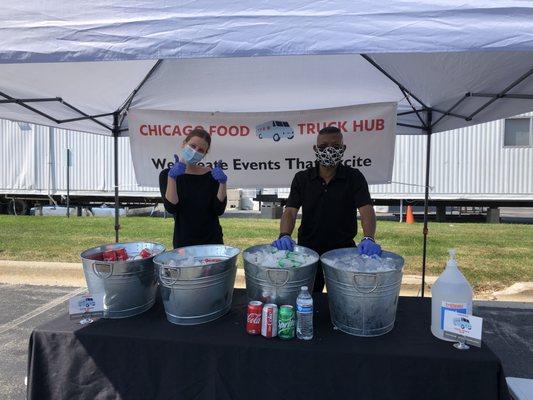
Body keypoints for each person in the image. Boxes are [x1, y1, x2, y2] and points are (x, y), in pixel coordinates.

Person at [272, 126, 381, 293]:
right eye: (323, 146)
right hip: (308, 251)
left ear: (343, 149)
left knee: (342, 299)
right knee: (307, 298)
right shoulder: (303, 178)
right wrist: (284, 234)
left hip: (343, 252)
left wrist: (369, 238)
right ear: (315, 149)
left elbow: (366, 210)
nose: (329, 150)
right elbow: (290, 211)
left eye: (335, 146)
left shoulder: (354, 177)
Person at [159, 128, 228, 249]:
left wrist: (223, 183)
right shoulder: (167, 174)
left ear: (204, 155)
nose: (195, 151)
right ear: (184, 143)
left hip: (212, 241)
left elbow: (218, 210)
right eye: (192, 146)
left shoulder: (212, 175)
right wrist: (172, 178)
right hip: (184, 243)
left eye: (201, 150)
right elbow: (172, 208)